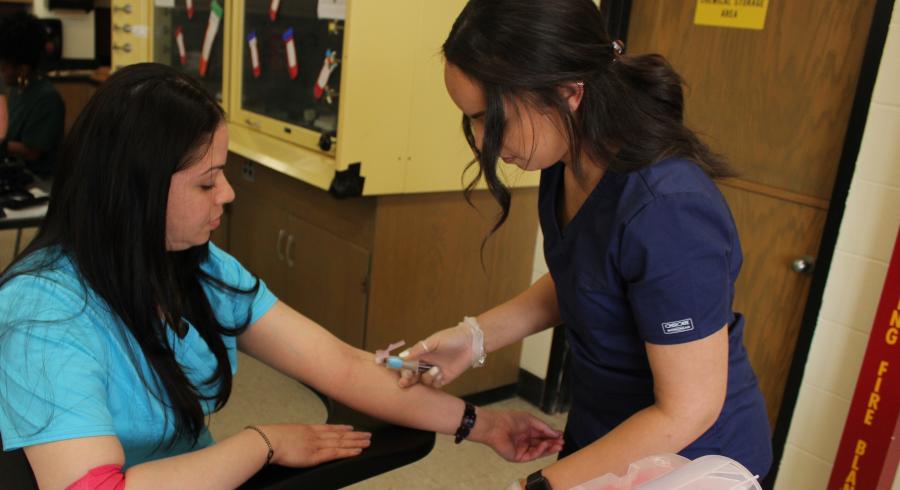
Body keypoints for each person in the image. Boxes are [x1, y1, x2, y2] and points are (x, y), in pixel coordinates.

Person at [0, 63, 564, 489]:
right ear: (135, 192)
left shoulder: (192, 267)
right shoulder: (45, 314)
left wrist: (484, 425)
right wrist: (262, 443)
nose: (228, 194)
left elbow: (343, 366)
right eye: (207, 181)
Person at [396, 0, 773, 487]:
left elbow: (689, 411)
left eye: (493, 119)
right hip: (609, 435)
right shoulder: (568, 159)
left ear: (570, 93)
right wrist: (475, 337)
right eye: (472, 121)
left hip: (690, 461)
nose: (484, 142)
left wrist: (543, 485)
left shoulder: (669, 209)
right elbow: (588, 275)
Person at [0, 11, 65, 178]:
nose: (1, 73)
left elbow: (32, 152)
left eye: (4, 68)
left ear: (23, 69)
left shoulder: (47, 99)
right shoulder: (16, 89)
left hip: (40, 183)